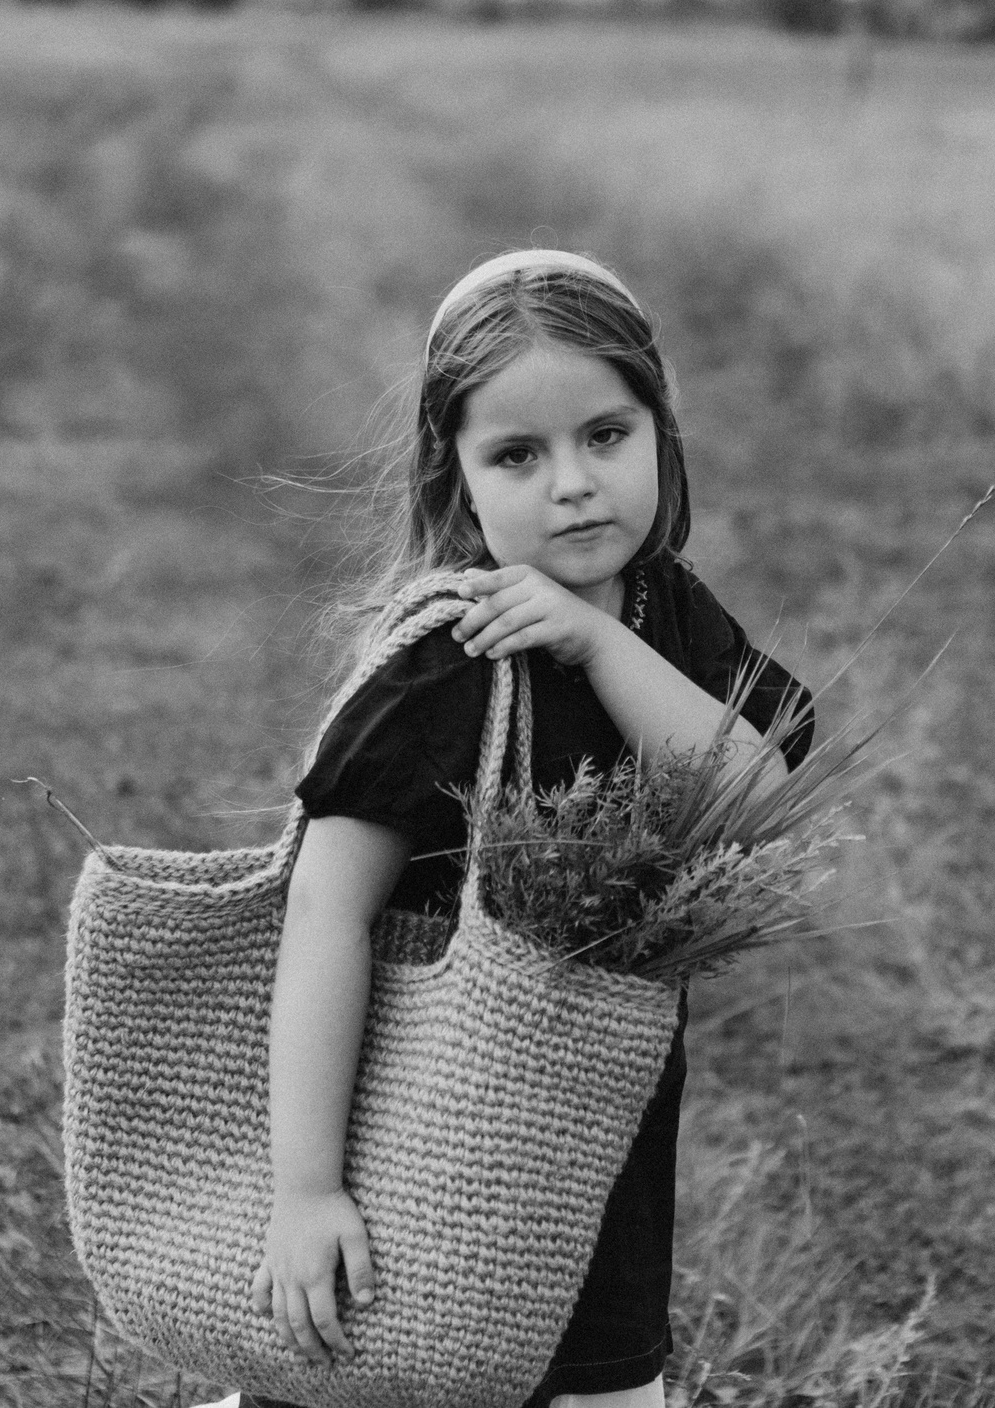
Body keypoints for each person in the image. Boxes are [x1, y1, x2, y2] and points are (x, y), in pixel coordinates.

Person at [210, 250, 814, 1408]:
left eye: (605, 435)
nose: (574, 484)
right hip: (420, 1112)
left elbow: (754, 794)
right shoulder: (449, 661)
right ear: (458, 481)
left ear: (660, 433)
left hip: (599, 1120)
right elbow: (324, 914)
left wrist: (599, 645)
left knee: (594, 1369)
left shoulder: (666, 613)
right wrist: (305, 1190)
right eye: (518, 456)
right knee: (393, 1359)